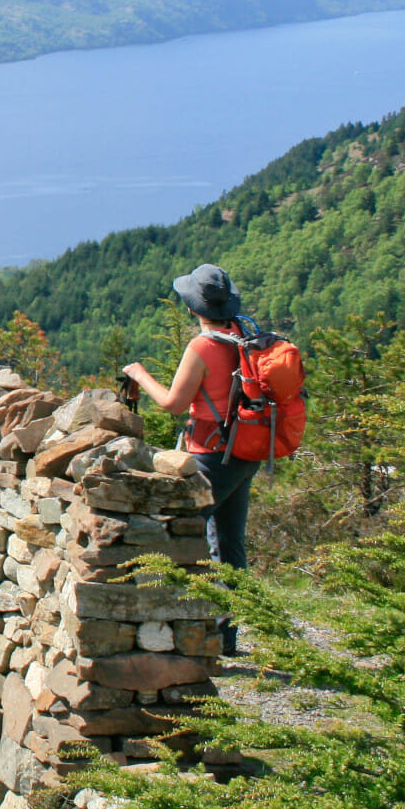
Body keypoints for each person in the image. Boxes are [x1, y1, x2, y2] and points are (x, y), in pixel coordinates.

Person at [119, 262, 257, 656]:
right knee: (229, 544)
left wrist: (139, 373)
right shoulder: (243, 336)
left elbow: (173, 403)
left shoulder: (203, 346)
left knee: (174, 533)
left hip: (211, 452)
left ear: (193, 306)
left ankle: (175, 632)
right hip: (245, 449)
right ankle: (226, 636)